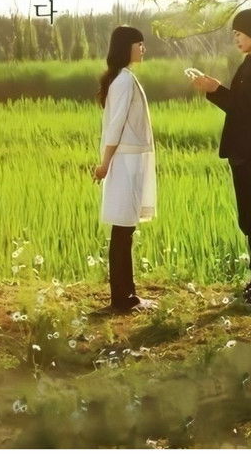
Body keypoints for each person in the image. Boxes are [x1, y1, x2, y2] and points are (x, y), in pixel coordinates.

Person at [190, 8, 251, 307]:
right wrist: (214, 89)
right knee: (249, 219)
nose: (236, 39)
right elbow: (242, 105)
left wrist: (215, 89)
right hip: (246, 151)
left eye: (239, 34)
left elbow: (247, 110)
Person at [93, 25, 157, 314]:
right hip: (125, 162)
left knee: (124, 230)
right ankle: (123, 298)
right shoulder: (124, 81)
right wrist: (105, 164)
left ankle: (125, 295)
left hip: (129, 160)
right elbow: (115, 125)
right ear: (126, 47)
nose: (143, 49)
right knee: (123, 230)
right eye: (139, 44)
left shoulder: (124, 78)